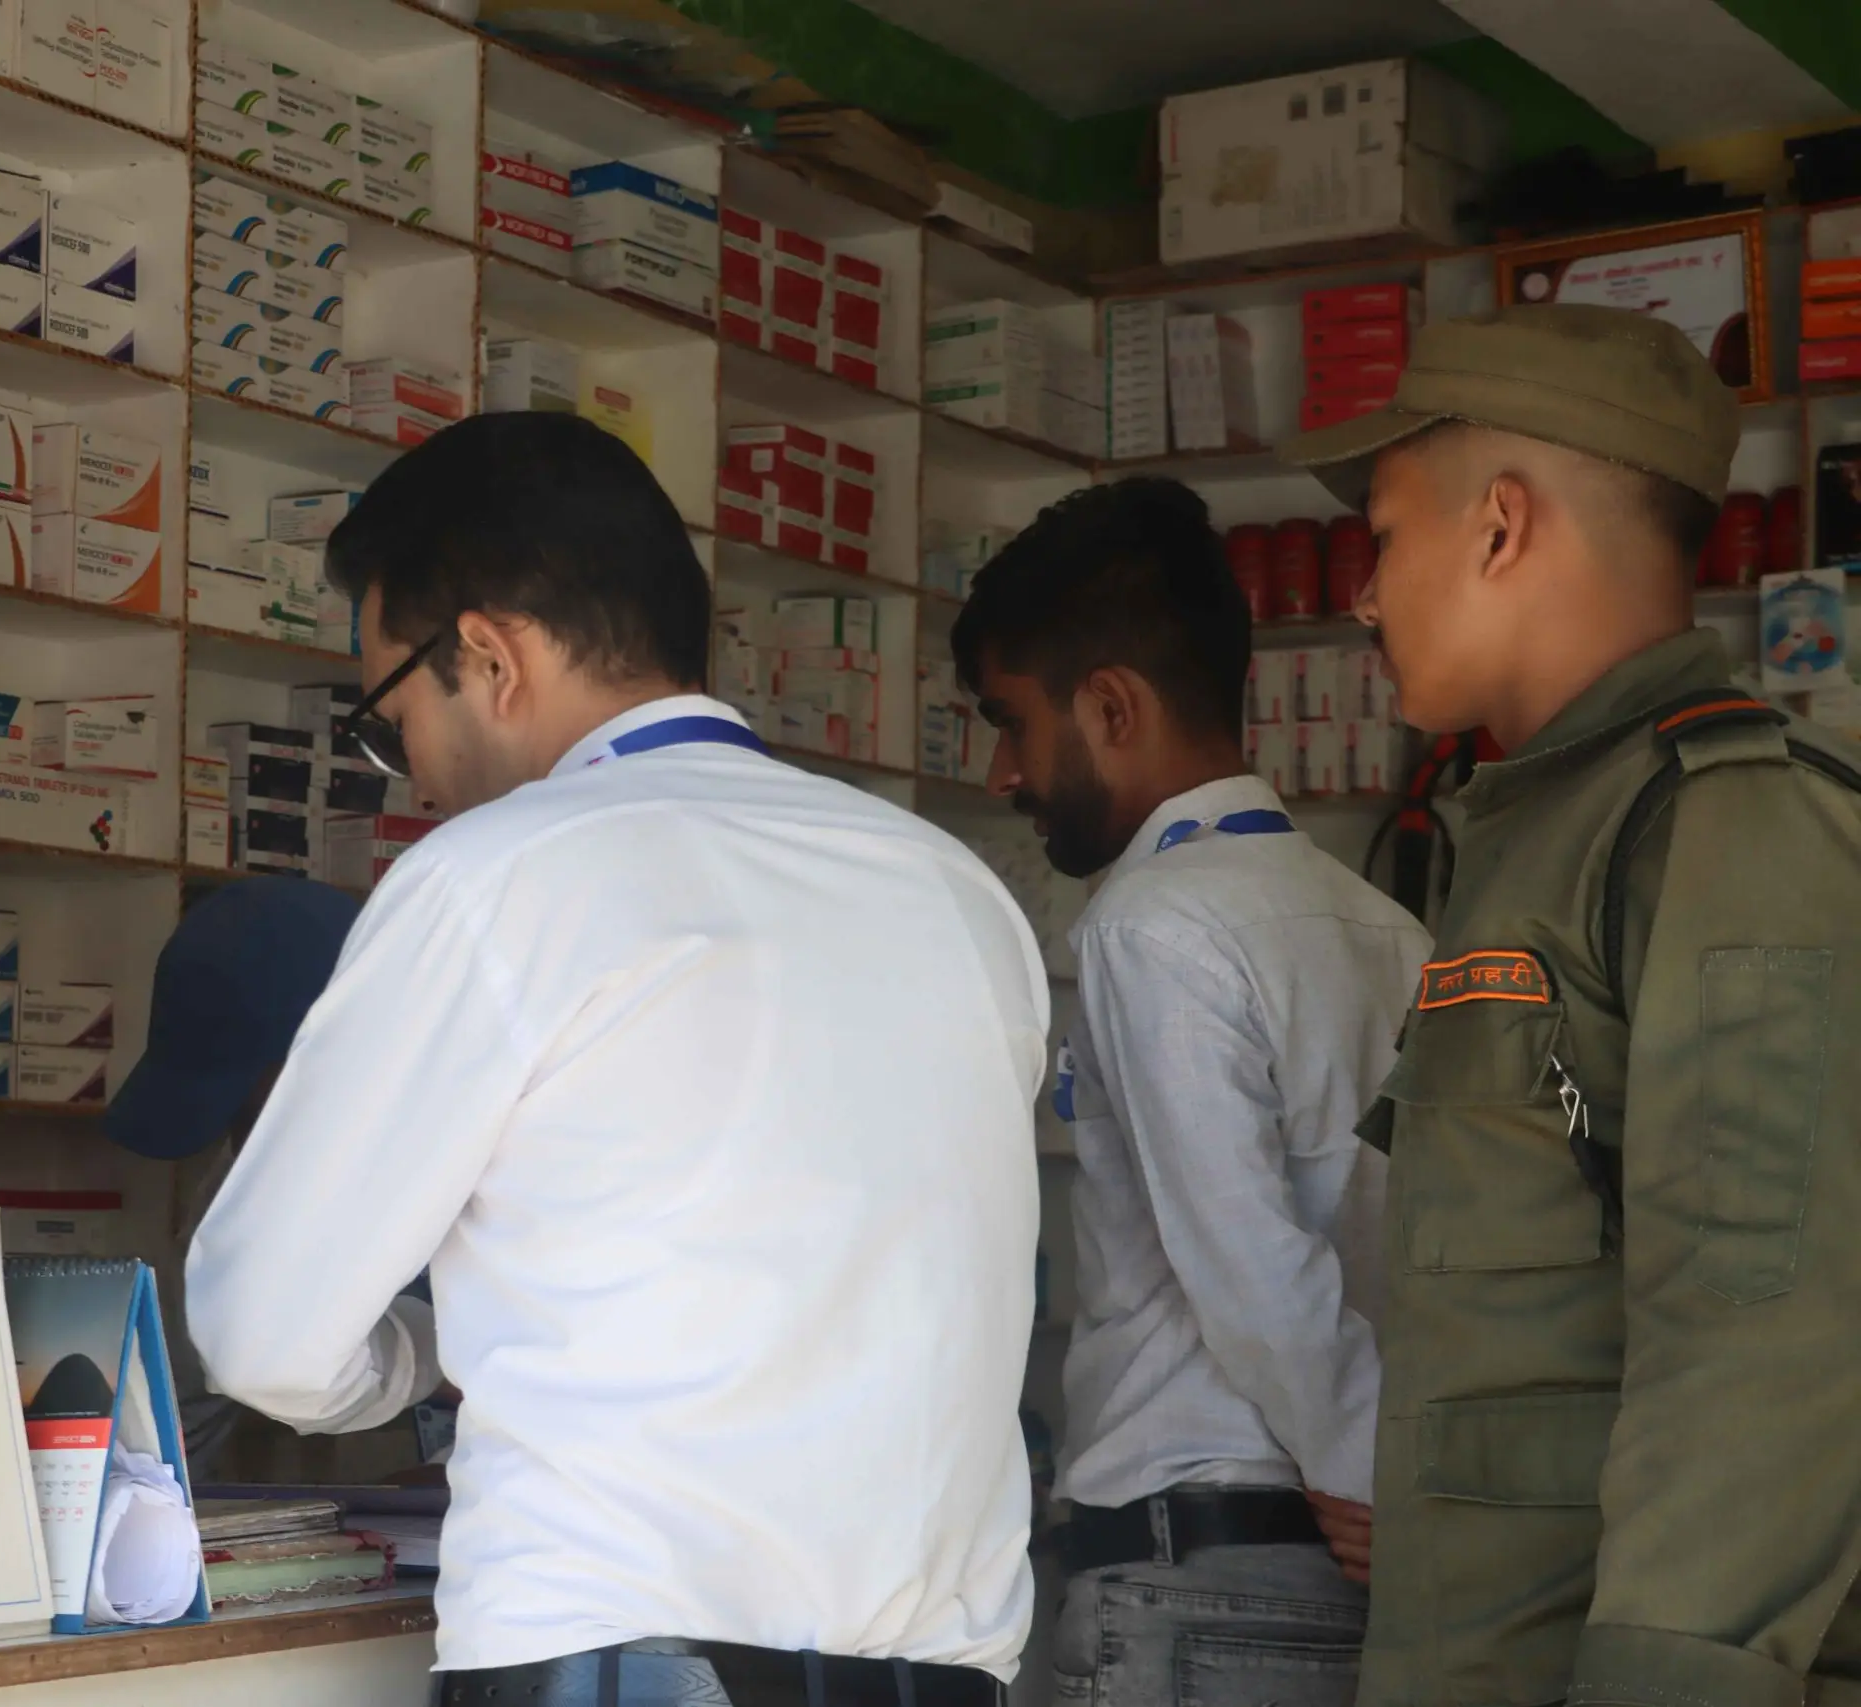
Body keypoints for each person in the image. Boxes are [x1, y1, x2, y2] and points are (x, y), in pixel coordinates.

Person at [186, 411, 1053, 1706]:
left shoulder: (497, 876)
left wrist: (427, 1354)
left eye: (390, 719)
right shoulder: (954, 891)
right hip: (940, 1674)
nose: (411, 774)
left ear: (489, 655)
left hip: (622, 1656)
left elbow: (264, 1332)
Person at [1280, 302, 1861, 1704]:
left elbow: (1761, 1330)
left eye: (1384, 538)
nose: (1364, 597)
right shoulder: (1536, 833)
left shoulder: (1725, 821)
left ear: (1500, 526)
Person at [952, 478, 1430, 1705]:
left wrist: (1366, 1468)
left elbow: (1247, 1258)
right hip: (1352, 1571)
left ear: (1111, 706)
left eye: (1010, 722)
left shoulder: (1152, 926)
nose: (1002, 773)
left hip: (1205, 1576)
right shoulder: (1385, 928)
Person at [102, 876, 370, 1477]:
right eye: (232, 1116)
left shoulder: (520, 1144)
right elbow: (164, 1434)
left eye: (252, 1107)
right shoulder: (238, 1199)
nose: (246, 1145)